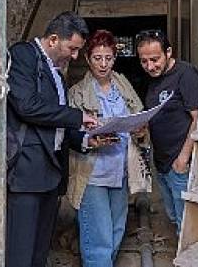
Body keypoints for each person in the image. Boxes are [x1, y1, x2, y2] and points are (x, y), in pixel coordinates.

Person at [6, 11, 104, 267]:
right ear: (53, 40)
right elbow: (27, 106)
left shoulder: (56, 73)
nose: (75, 56)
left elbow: (55, 122)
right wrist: (78, 116)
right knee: (20, 254)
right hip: (26, 174)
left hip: (50, 173)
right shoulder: (23, 56)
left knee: (40, 252)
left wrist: (84, 140)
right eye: (72, 49)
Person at [67, 29, 152, 267]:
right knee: (99, 240)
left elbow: (139, 118)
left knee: (116, 231)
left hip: (120, 171)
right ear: (87, 58)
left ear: (115, 58)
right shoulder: (77, 93)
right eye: (97, 58)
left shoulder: (123, 87)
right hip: (92, 174)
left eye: (108, 58)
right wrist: (90, 139)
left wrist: (140, 131)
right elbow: (69, 134)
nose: (103, 64)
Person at [136, 29, 198, 235]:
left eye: (155, 59)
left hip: (180, 163)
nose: (150, 66)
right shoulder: (154, 78)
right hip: (162, 162)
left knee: (186, 224)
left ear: (168, 52)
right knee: (173, 217)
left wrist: (183, 159)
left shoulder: (186, 74)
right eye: (144, 61)